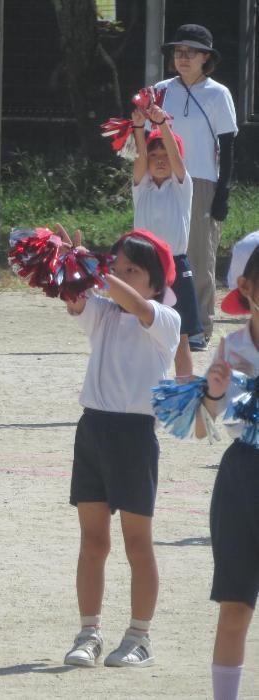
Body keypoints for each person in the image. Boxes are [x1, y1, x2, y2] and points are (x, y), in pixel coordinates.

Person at [59, 227, 180, 669]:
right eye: (118, 265)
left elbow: (135, 304)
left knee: (137, 544)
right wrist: (67, 264)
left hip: (133, 437)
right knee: (92, 541)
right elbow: (76, 301)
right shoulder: (106, 311)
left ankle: (139, 637)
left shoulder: (166, 319)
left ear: (156, 281)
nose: (121, 274)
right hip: (92, 429)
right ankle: (89, 632)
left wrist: (98, 269)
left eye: (133, 269)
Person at [200, 234, 259, 700]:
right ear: (247, 286)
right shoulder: (231, 348)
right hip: (242, 477)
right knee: (235, 604)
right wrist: (215, 393)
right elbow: (203, 426)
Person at [156, 24, 237, 351]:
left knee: (198, 258)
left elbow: (228, 146)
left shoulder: (218, 93)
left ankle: (200, 327)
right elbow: (147, 139)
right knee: (157, 254)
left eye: (191, 52)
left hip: (201, 180)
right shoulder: (160, 90)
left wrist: (223, 194)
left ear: (206, 58)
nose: (183, 57)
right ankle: (159, 322)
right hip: (162, 180)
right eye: (178, 51)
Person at [130, 103, 199, 379]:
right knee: (141, 334)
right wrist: (138, 129)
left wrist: (161, 125)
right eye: (153, 154)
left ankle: (184, 395)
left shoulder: (183, 187)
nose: (159, 159)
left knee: (181, 339)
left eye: (166, 155)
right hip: (143, 267)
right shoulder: (141, 187)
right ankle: (141, 398)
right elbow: (139, 158)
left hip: (176, 266)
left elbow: (175, 158)